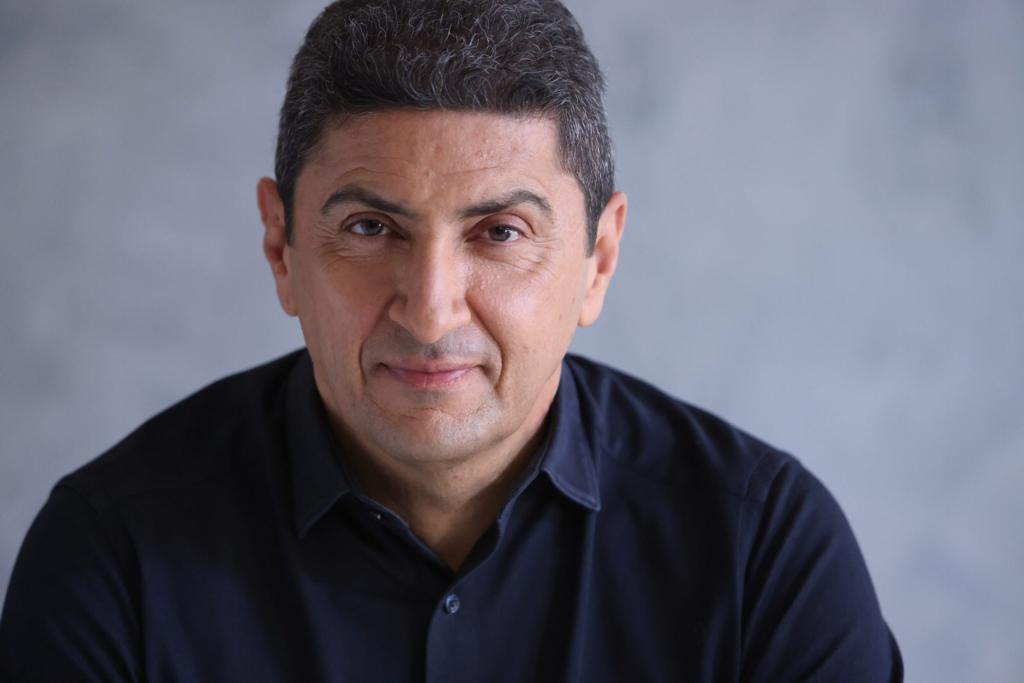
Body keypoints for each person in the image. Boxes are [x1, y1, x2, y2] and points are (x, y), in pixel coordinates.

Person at [0, 0, 902, 680]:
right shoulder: (112, 557)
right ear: (281, 247)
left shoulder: (763, 553)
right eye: (369, 228)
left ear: (598, 259)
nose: (430, 313)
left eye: (500, 232)